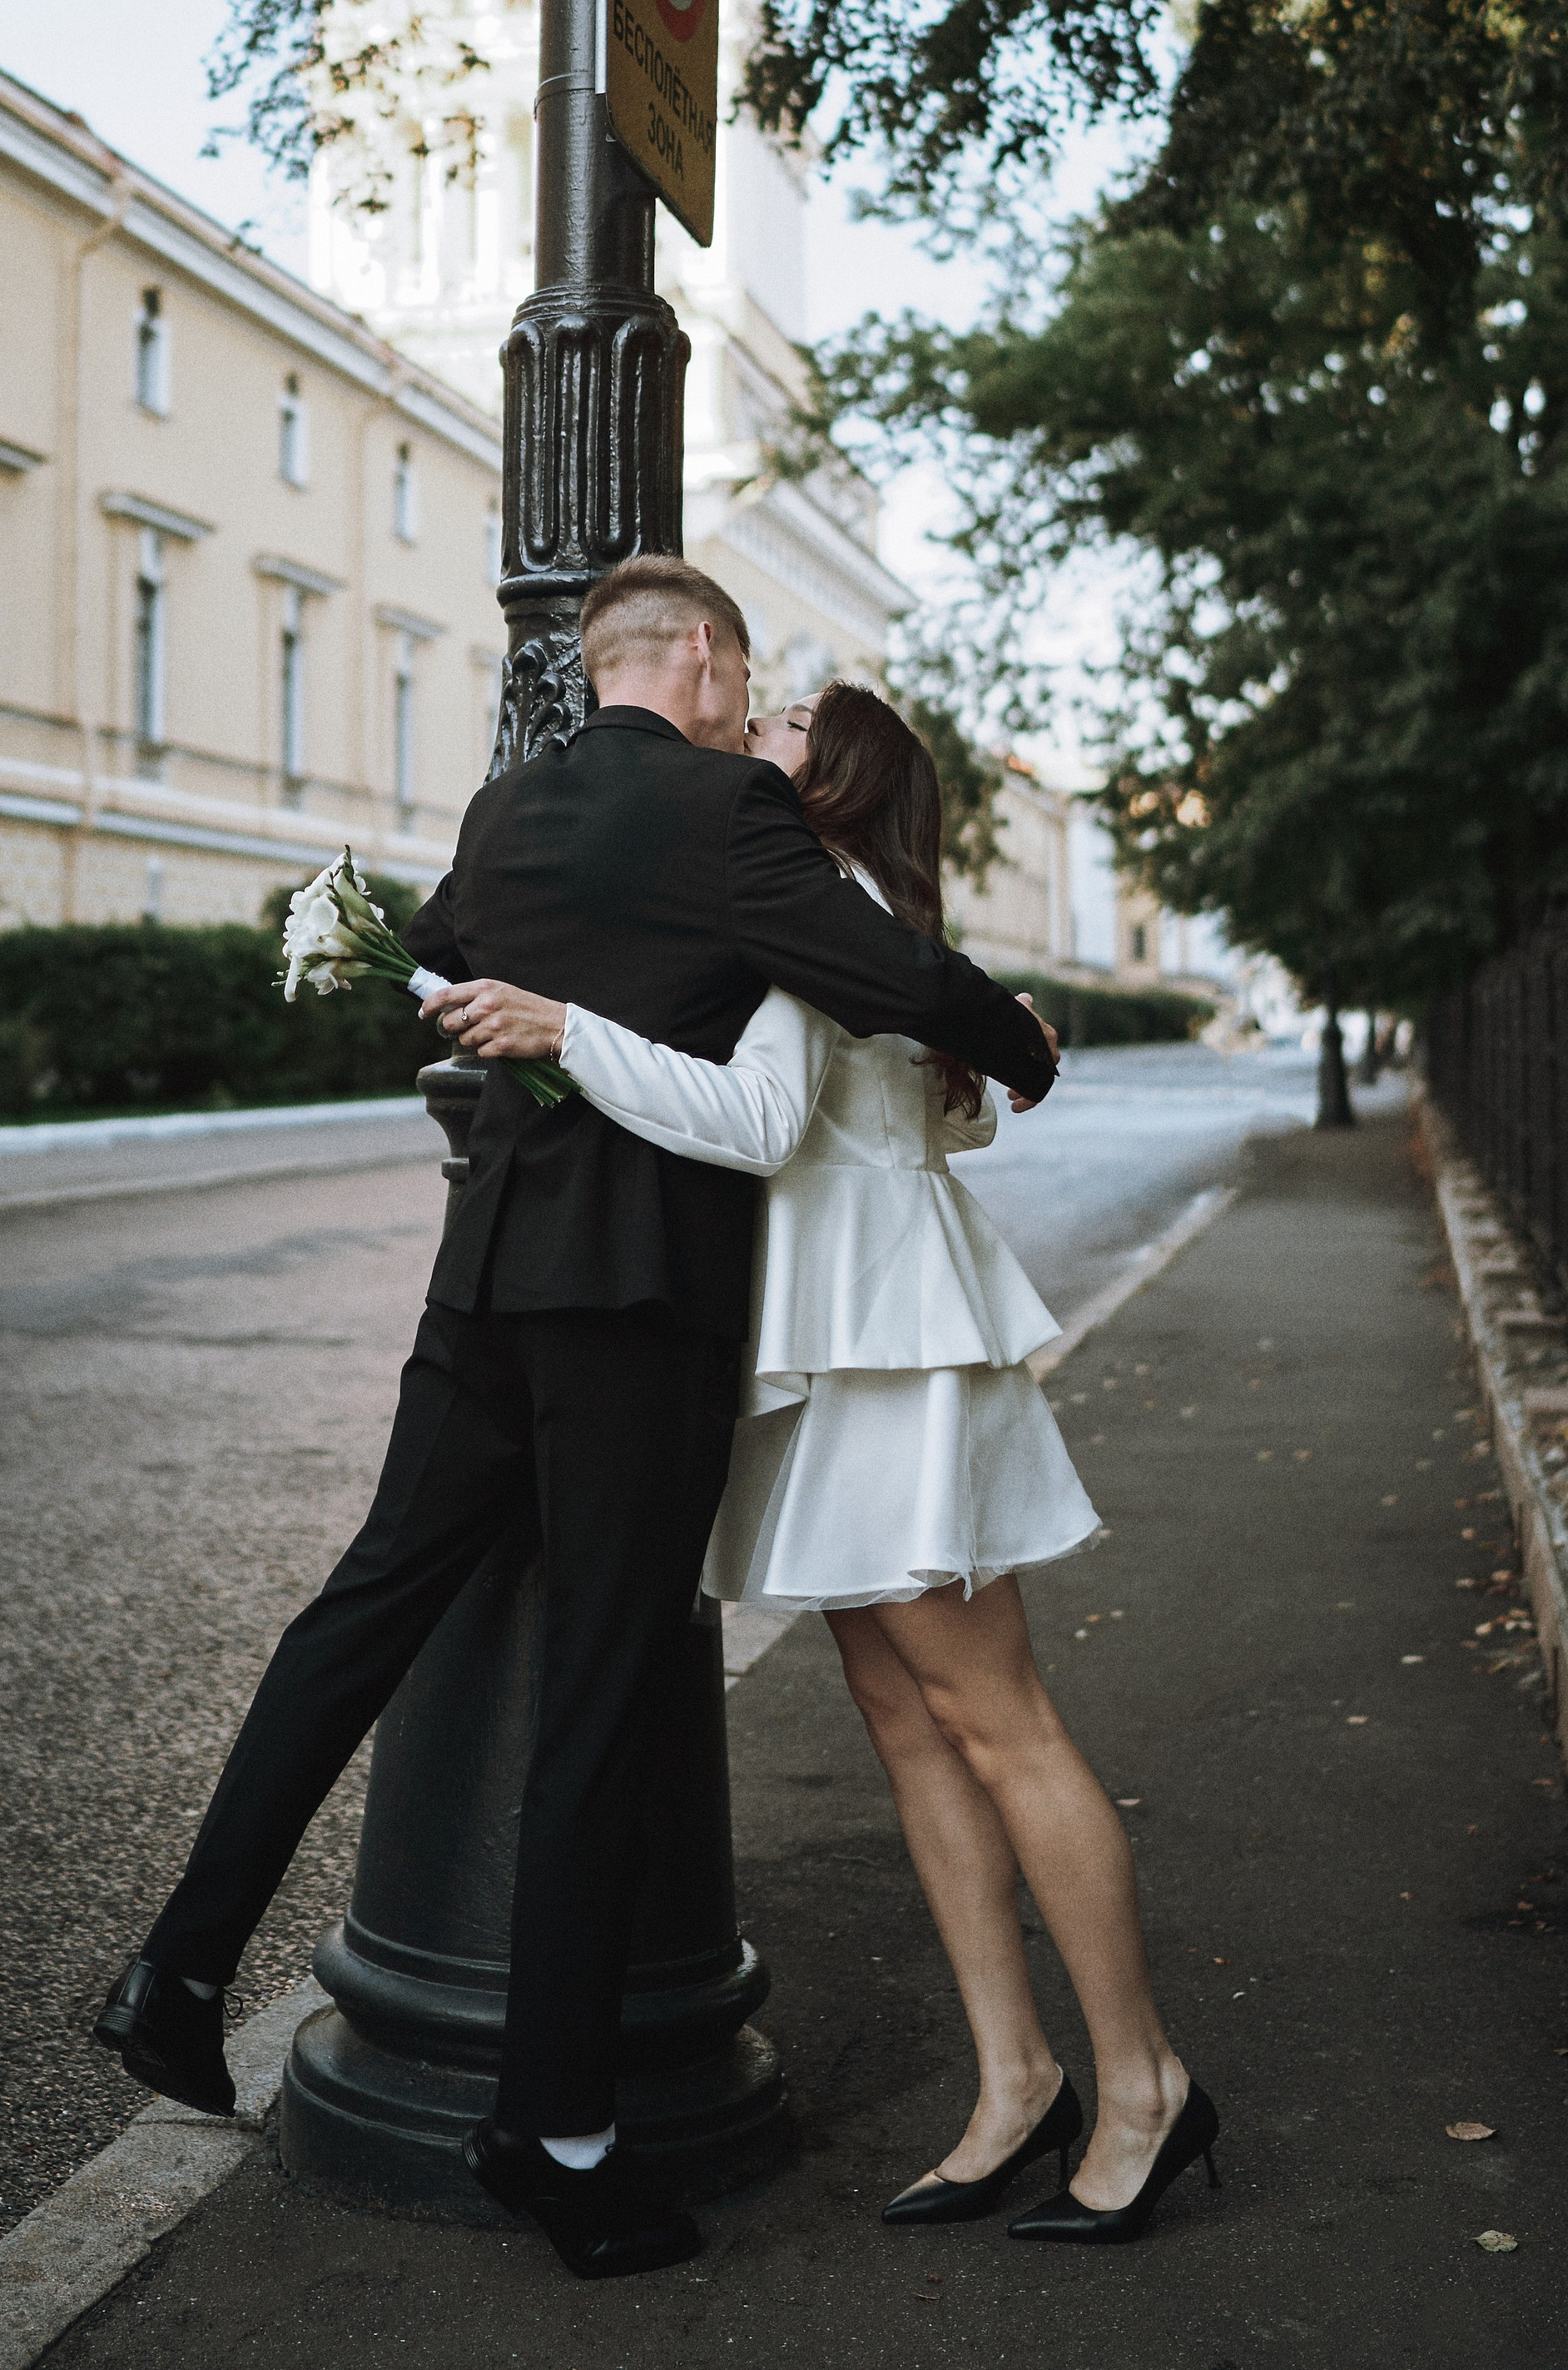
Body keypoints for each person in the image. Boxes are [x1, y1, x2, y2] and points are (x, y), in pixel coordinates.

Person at [92, 560, 1059, 2280]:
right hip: (633, 1320)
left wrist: (540, 1030)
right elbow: (895, 980)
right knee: (600, 1705)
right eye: (737, 668)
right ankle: (556, 2128)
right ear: (693, 659)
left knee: (362, 1607)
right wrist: (1026, 1048)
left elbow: (445, 959)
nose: (741, 698)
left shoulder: (510, 803)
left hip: (481, 1292)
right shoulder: (732, 822)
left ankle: (177, 1964)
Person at [440, 680, 1218, 2247]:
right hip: (841, 1337)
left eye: (783, 718)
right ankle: (1015, 2084)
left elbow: (754, 1120)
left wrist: (563, 1027)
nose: (745, 728)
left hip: (888, 1347)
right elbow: (953, 1113)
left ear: (836, 769)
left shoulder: (805, 900)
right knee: (906, 1723)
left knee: (995, 1721)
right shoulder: (821, 901)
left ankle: (1144, 2087)